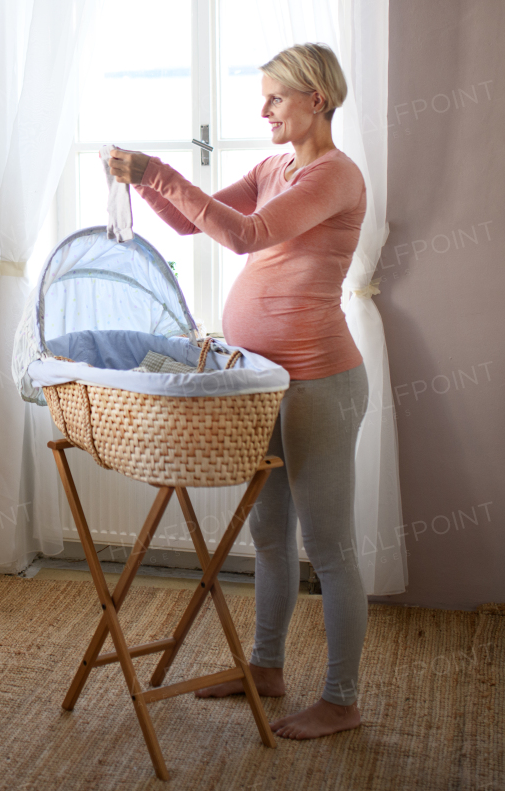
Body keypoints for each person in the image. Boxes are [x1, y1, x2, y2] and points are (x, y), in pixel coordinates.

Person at [107, 42, 369, 741]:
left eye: (275, 97)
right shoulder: (275, 166)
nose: (263, 110)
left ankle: (342, 698)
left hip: (320, 382)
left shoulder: (334, 176)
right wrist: (143, 182)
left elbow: (247, 236)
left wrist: (162, 170)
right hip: (264, 382)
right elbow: (195, 220)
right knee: (268, 533)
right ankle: (266, 667)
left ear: (316, 99)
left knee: (330, 544)